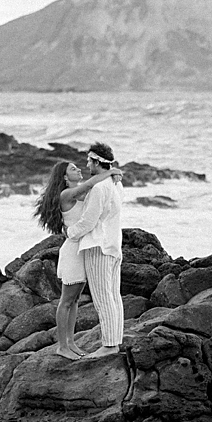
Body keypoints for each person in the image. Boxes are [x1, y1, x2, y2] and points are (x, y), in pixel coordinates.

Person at [34, 155, 121, 360]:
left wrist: (114, 178)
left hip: (82, 248)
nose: (79, 170)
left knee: (74, 301)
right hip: (73, 250)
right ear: (64, 177)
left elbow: (98, 196)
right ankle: (62, 346)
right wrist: (109, 171)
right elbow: (91, 184)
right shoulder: (67, 194)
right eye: (73, 169)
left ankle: (71, 342)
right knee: (66, 300)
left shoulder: (79, 193)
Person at [67, 143, 125, 359]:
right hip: (113, 244)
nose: (86, 164)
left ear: (98, 162)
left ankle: (109, 345)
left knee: (103, 298)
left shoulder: (100, 188)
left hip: (98, 246)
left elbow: (88, 222)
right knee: (114, 295)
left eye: (90, 161)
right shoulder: (116, 184)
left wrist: (70, 232)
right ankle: (115, 341)